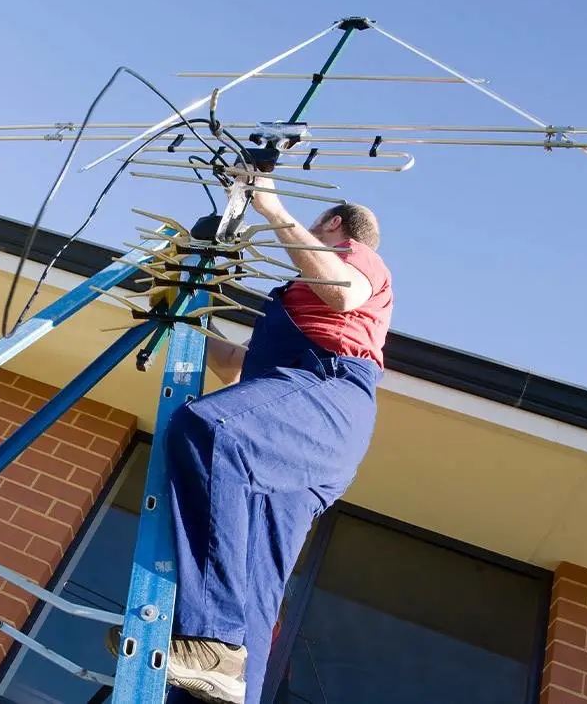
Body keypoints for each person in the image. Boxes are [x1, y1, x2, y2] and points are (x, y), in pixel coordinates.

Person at [110, 177, 393, 704]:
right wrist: (180, 317)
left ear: (333, 224)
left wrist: (271, 206)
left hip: (328, 394)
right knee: (254, 582)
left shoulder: (356, 258)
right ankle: (223, 674)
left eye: (316, 225)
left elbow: (344, 291)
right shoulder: (297, 306)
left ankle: (213, 638)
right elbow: (239, 369)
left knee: (209, 430)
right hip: (295, 419)